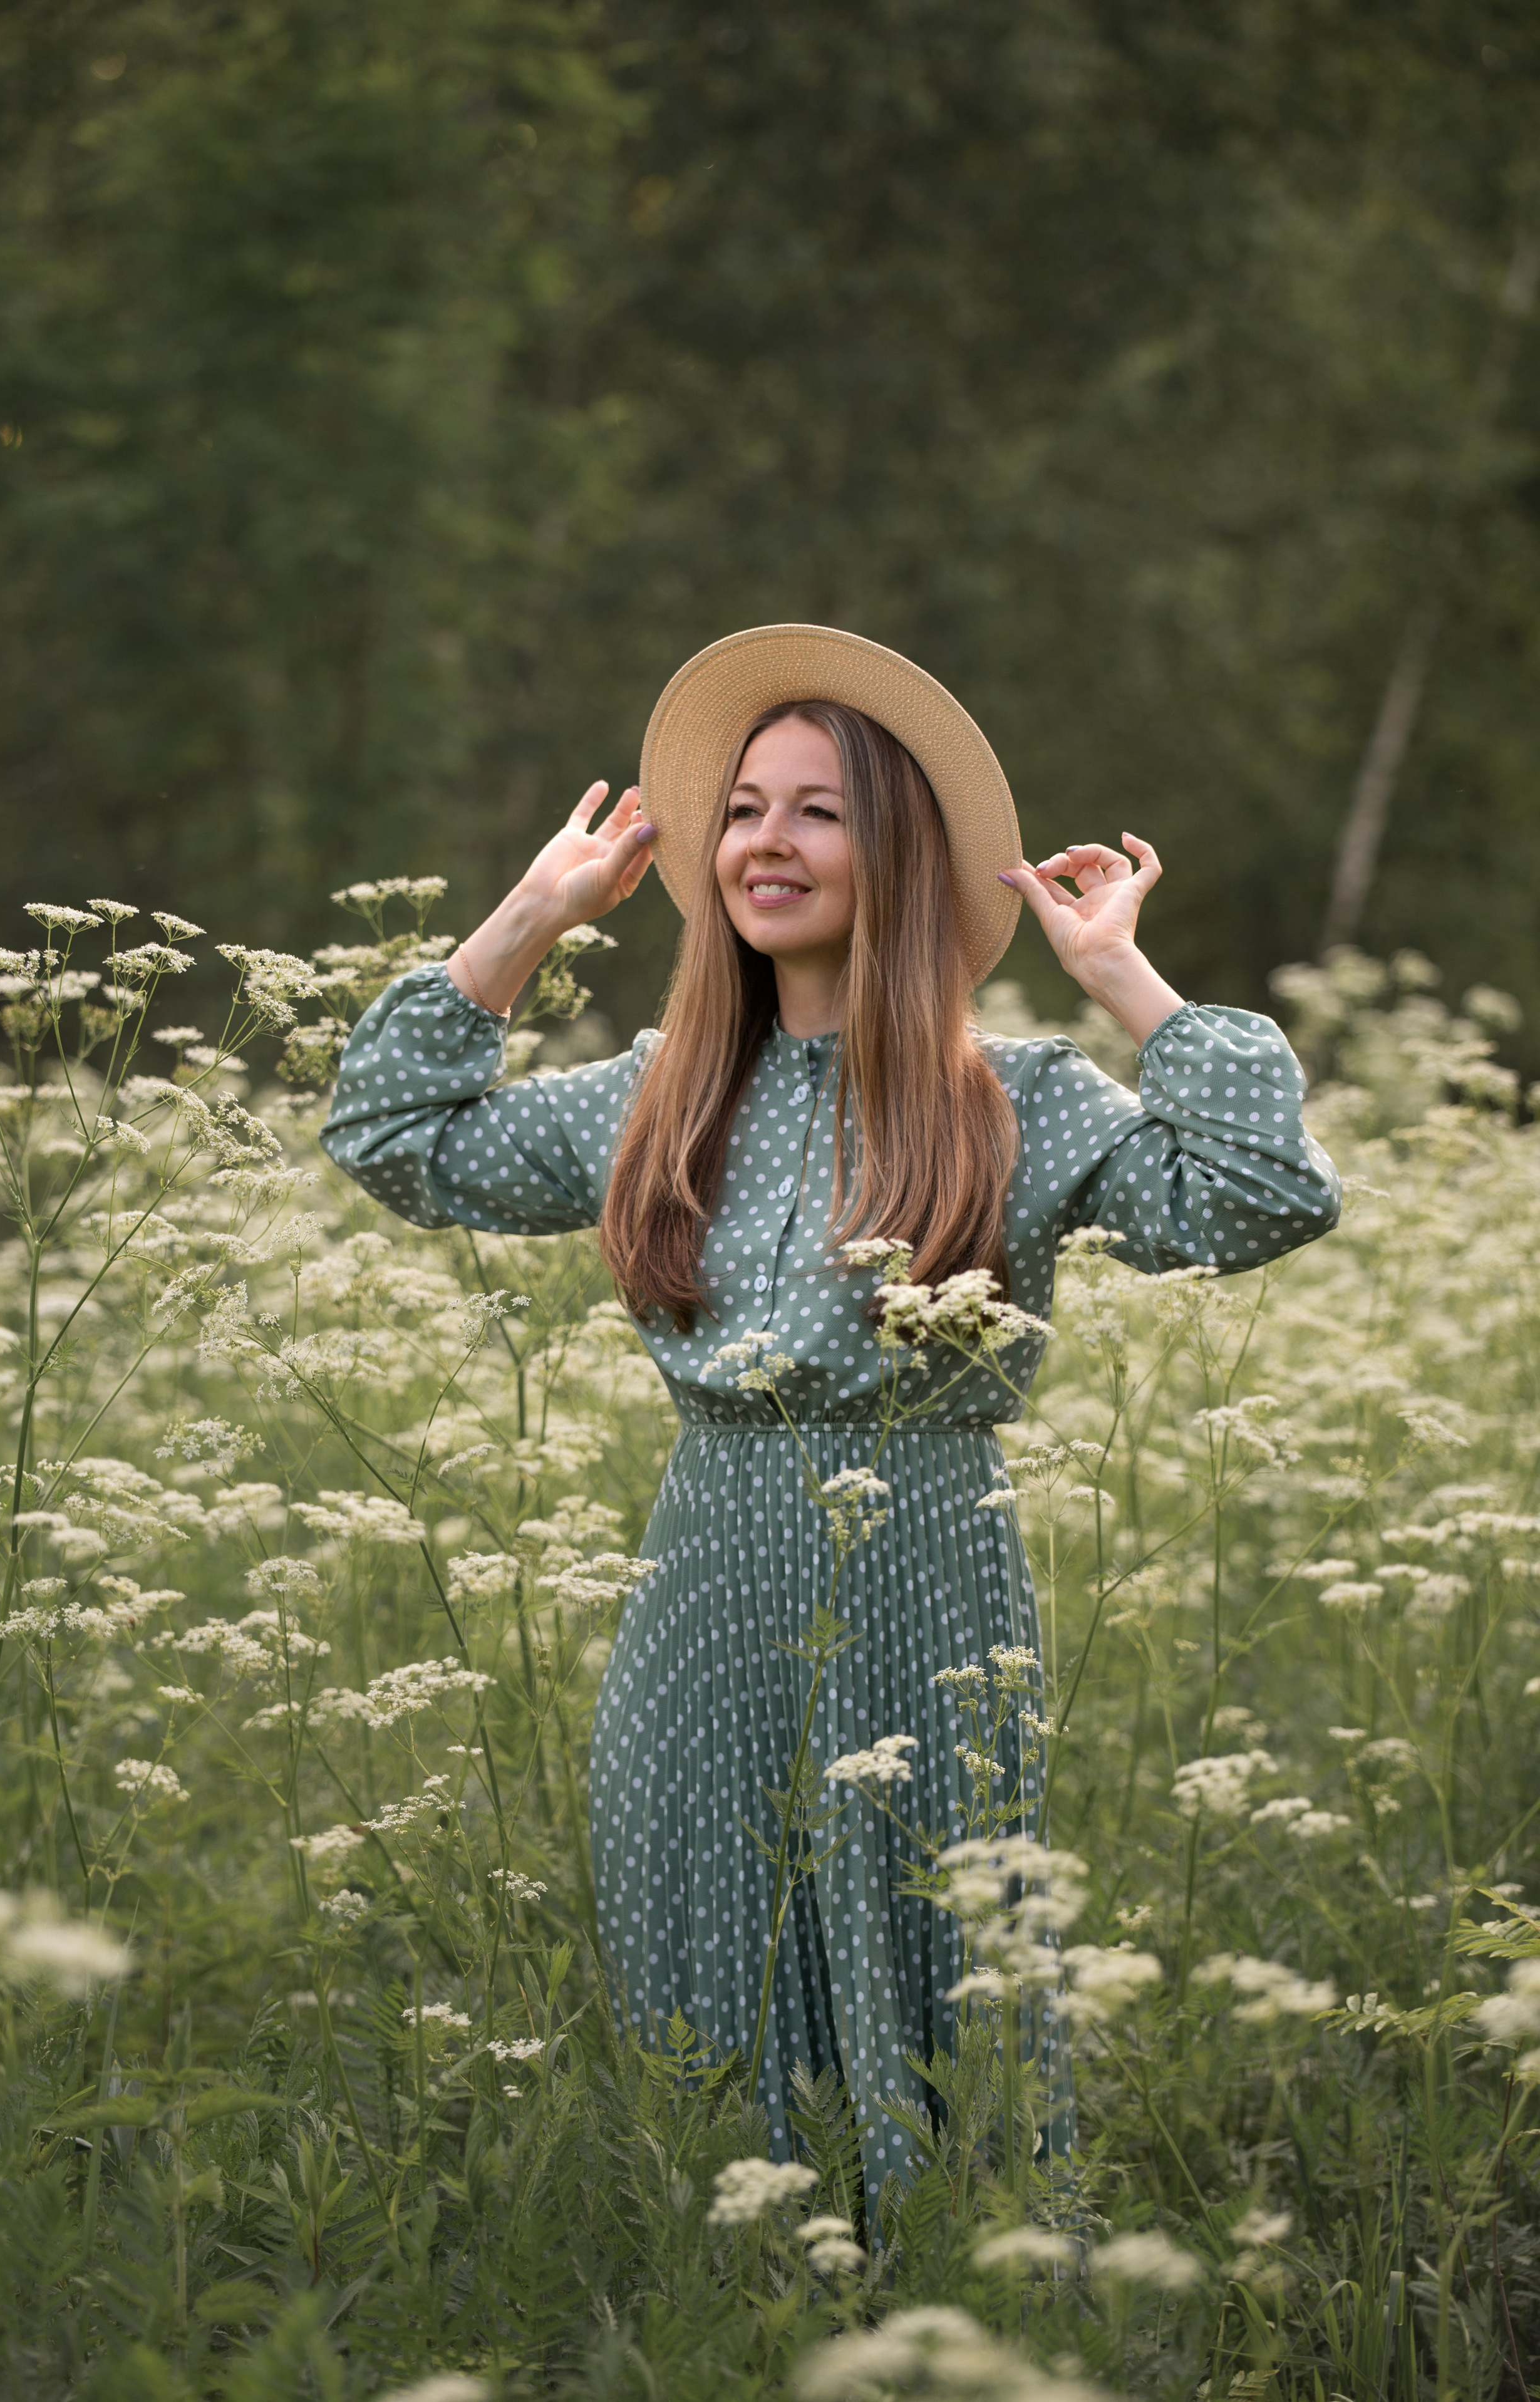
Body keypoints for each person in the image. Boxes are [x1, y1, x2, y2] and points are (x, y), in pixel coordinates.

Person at [320, 624, 1341, 2205]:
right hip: (701, 1610)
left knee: (948, 1987)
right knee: (707, 2007)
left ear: (902, 856)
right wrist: (533, 912)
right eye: (740, 808)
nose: (765, 842)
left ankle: (958, 2319)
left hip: (929, 1596)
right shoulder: (661, 1092)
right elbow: (392, 1135)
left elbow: (1263, 1196)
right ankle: (748, 2326)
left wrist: (1115, 973)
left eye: (817, 810)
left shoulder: (1019, 1101)